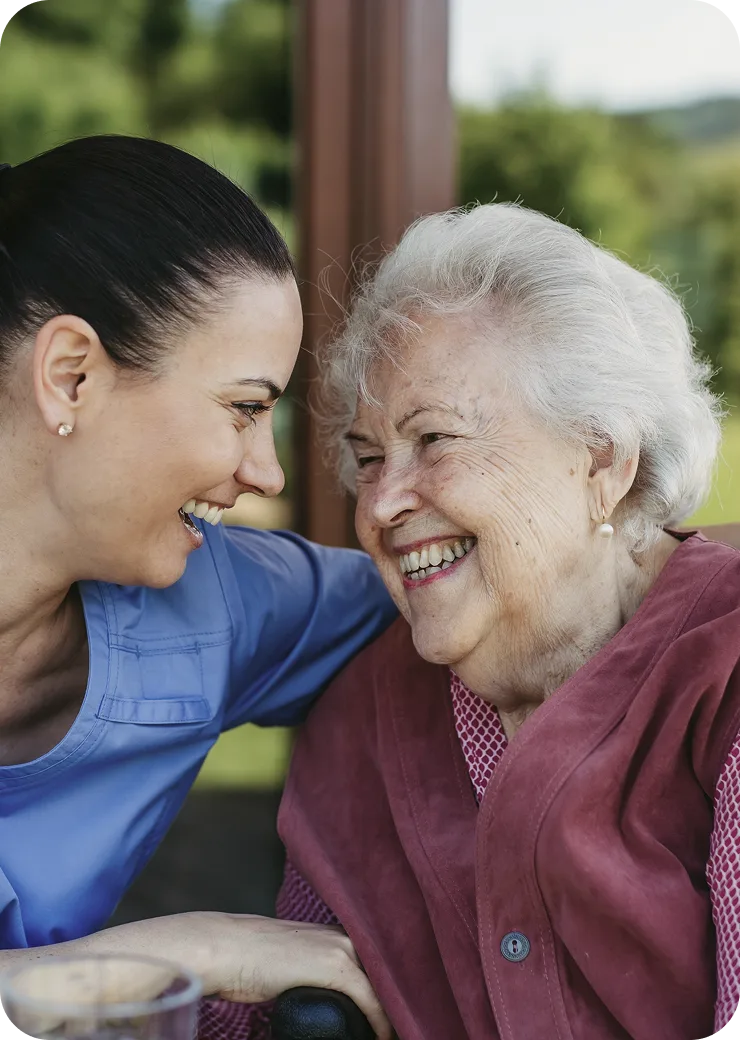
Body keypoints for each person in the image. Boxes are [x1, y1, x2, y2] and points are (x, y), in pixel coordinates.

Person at [204, 202, 740, 1039]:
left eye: (436, 440)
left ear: (602, 460)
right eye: (370, 457)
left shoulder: (726, 672)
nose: (380, 503)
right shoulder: (362, 712)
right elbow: (293, 1009)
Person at [0, 134, 395, 1039]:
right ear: (72, 376)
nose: (266, 472)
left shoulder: (216, 604)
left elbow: (489, 592)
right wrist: (191, 956)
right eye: (244, 409)